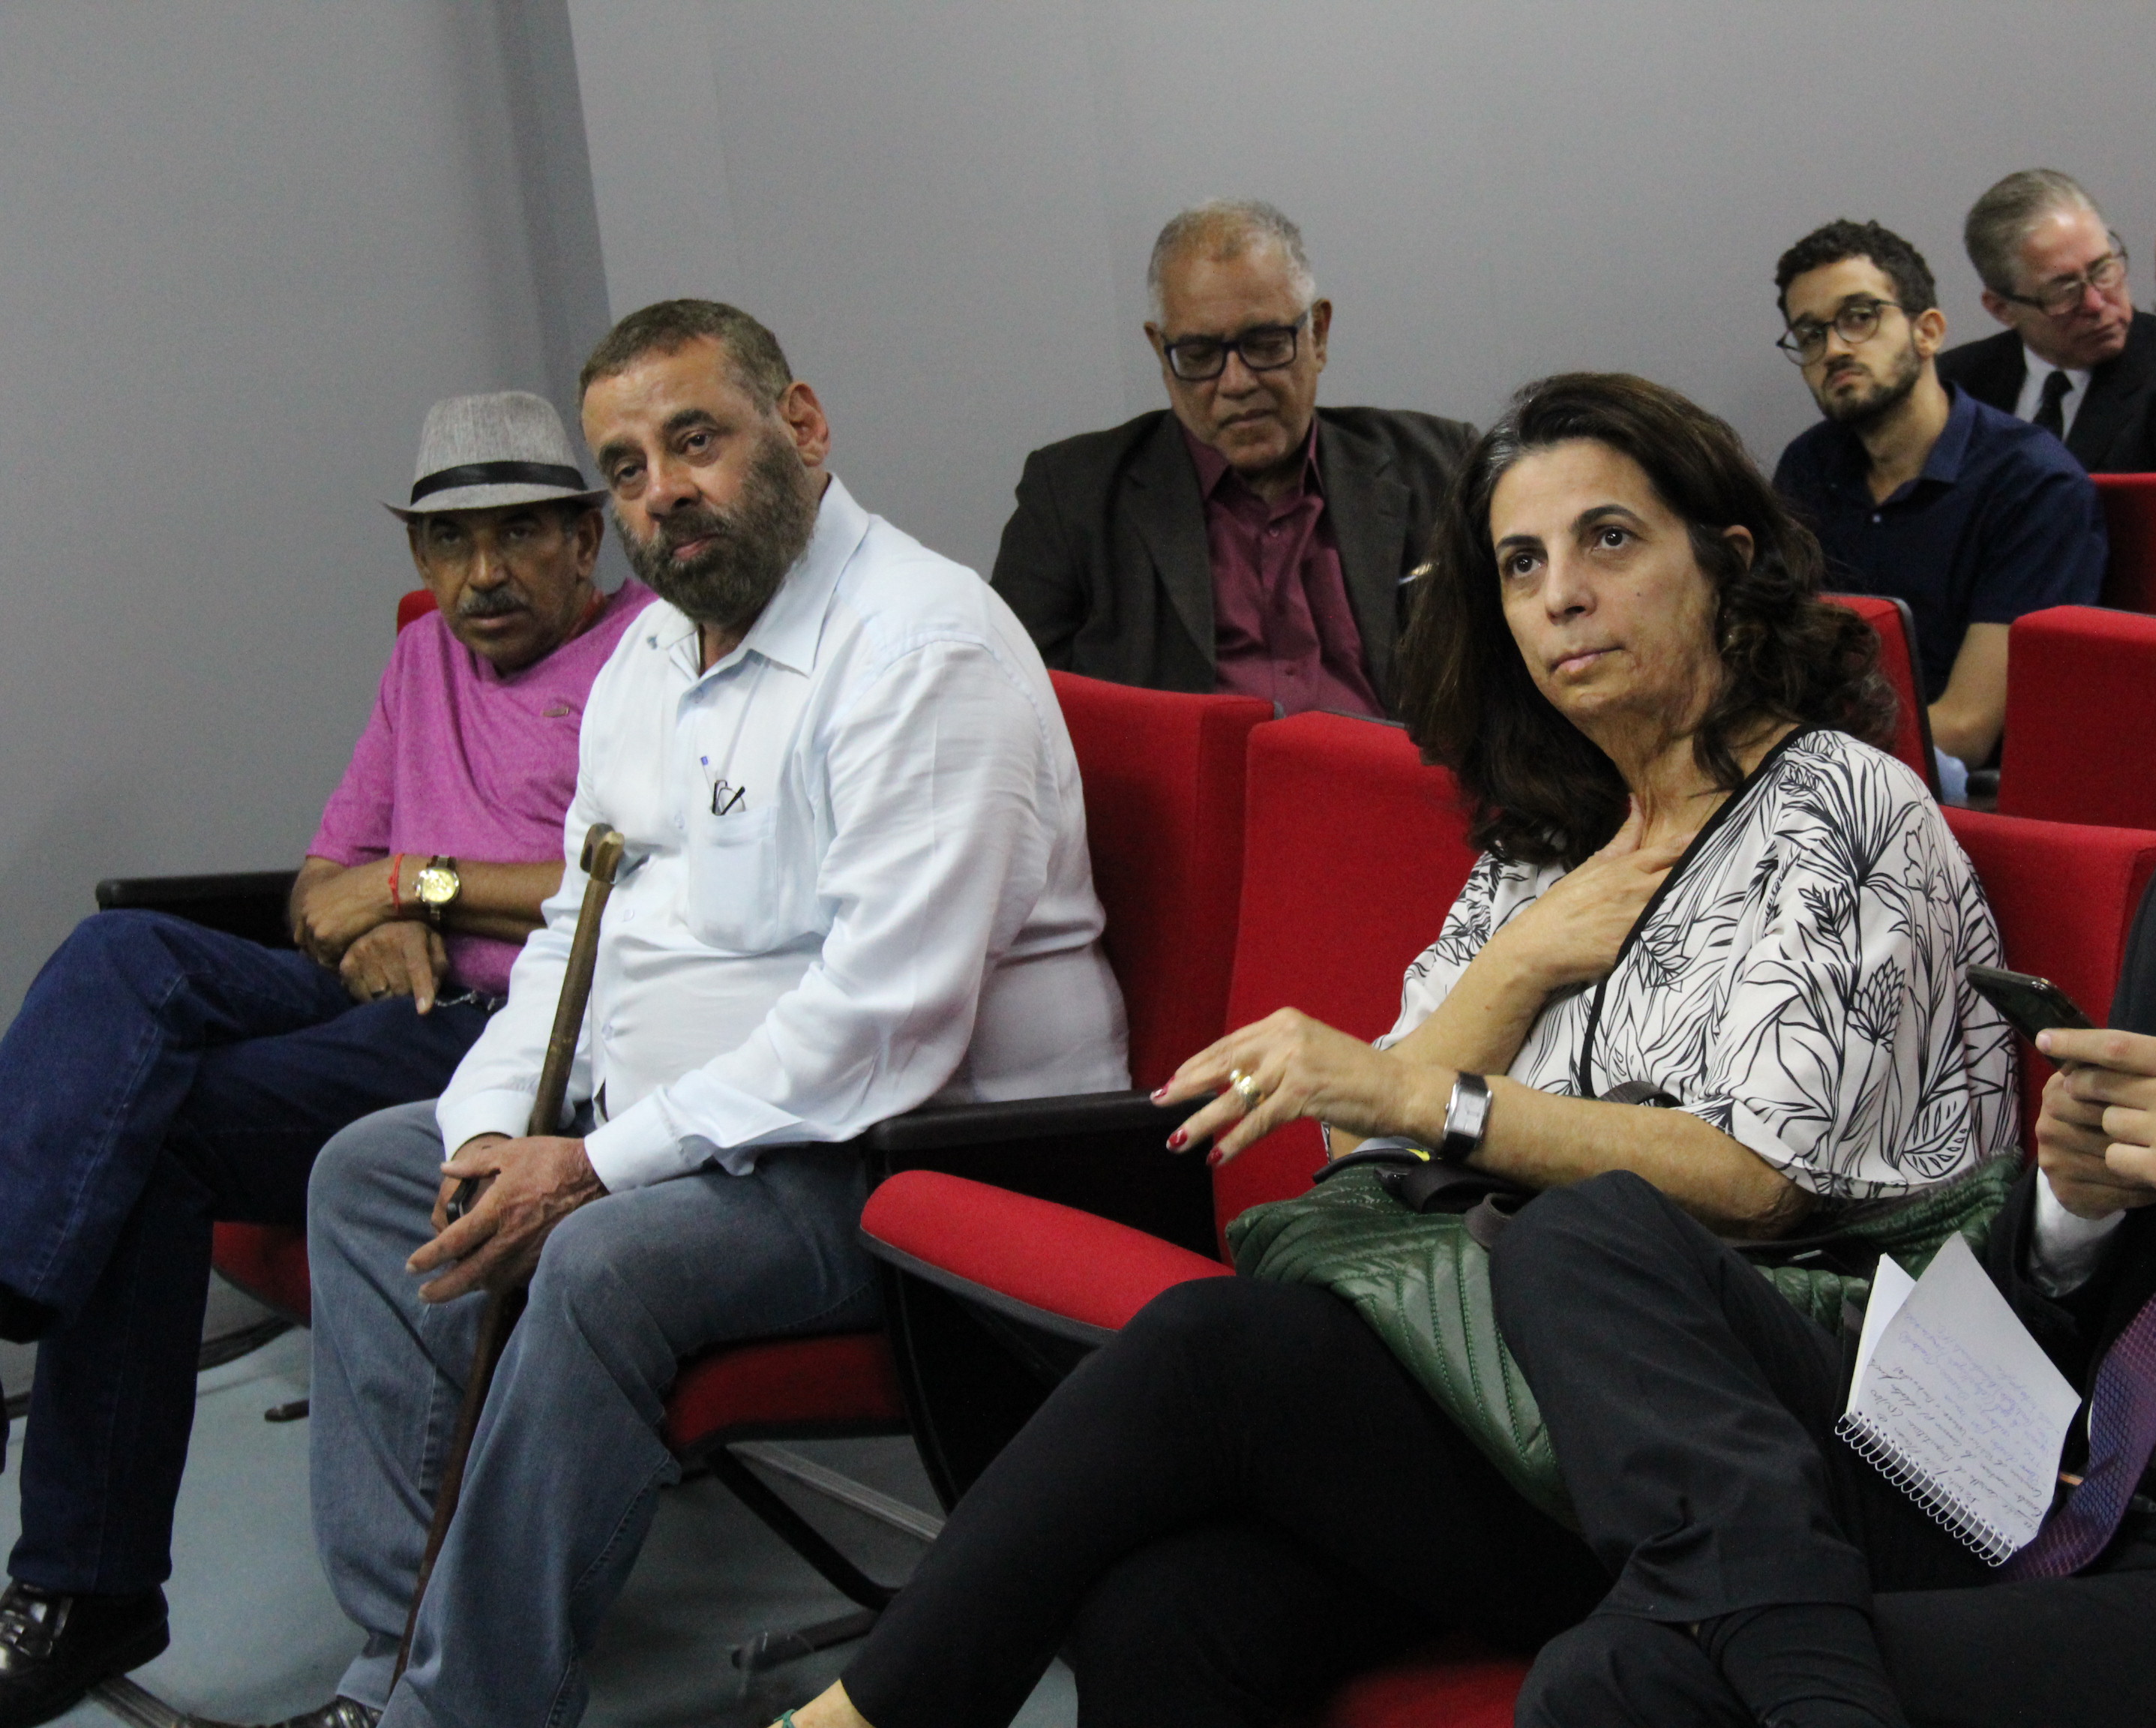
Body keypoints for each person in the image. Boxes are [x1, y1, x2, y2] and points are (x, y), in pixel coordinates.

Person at [760, 374, 2022, 1728]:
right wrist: (1521, 961)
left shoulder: (1840, 803)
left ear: (1726, 562)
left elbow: (1758, 1180)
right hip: (1519, 1395)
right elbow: (1373, 1139)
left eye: (1607, 539)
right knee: (1165, 1607)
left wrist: (1429, 1090)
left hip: (1751, 1445)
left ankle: (866, 1714)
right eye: (1521, 564)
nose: (1561, 595)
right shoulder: (1555, 836)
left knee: (1213, 1350)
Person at [1476, 424, 2156, 1728]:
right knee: (1584, 1233)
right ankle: (1798, 1658)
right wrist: (2073, 1208)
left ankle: (1774, 1648)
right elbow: (2038, 1315)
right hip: (2046, 1472)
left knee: (1622, 1675)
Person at [282, 301, 1128, 1728]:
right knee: (371, 1172)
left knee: (600, 1258)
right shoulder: (654, 659)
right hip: (698, 1135)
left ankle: (464, 1709)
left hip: (915, 1160)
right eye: (625, 467)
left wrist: (591, 1164)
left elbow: (884, 1025)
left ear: (802, 426)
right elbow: (577, 932)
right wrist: (491, 1128)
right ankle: (399, 1659)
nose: (660, 492)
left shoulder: (917, 648)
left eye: (695, 441)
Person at [0, 392, 647, 1728]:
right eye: (450, 541)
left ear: (587, 537)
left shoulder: (652, 656)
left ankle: (81, 1584)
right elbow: (319, 880)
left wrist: (415, 886)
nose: (482, 573)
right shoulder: (422, 660)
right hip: (382, 994)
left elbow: (633, 883)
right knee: (121, 951)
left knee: (148, 1142)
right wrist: (359, 921)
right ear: (418, 555)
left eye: (521, 533)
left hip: (510, 1031)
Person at [990, 199, 1474, 718]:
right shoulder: (1070, 502)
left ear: (1318, 334)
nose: (1237, 383)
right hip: (1186, 774)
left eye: (1266, 344)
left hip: (1399, 768)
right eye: (1199, 355)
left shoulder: (1442, 467)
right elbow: (1006, 708)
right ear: (1161, 354)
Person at [1770, 220, 2106, 790]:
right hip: (1822, 772)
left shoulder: (2032, 482)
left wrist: (1783, 760)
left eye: (1859, 317)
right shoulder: (1809, 467)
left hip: (1960, 799)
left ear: (1927, 332)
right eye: (1810, 334)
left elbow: (1968, 727)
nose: (1834, 348)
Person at [1936, 170, 2156, 473]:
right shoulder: (1950, 390)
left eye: (2103, 270)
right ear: (2001, 309)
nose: (2095, 303)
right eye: (2063, 291)